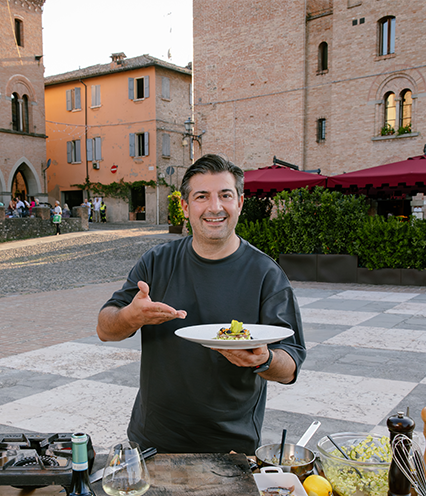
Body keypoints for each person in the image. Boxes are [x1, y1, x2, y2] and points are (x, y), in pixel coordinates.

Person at [96, 154, 306, 455]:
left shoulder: (266, 274)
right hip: (153, 440)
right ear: (185, 206)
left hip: (232, 446)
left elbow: (291, 365)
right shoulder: (156, 262)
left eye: (225, 195)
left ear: (240, 203)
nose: (215, 207)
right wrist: (130, 316)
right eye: (202, 196)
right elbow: (105, 328)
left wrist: (264, 360)